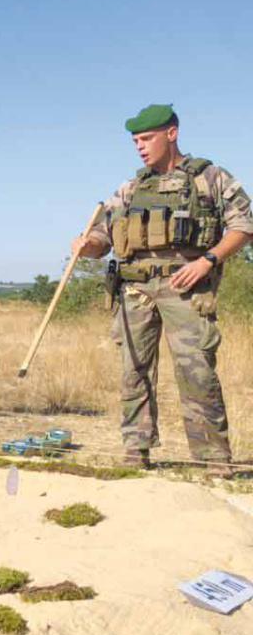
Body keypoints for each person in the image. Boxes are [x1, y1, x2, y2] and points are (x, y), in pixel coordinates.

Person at [72, 104, 253, 474]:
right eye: (135, 140)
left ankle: (213, 460)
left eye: (146, 138)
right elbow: (103, 237)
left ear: (172, 133)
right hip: (135, 290)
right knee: (133, 371)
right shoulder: (132, 187)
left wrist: (208, 261)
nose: (139, 146)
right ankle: (135, 451)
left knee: (197, 371)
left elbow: (244, 226)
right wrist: (86, 246)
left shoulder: (210, 177)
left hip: (185, 288)